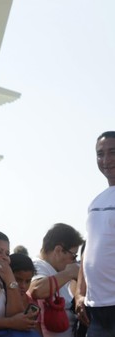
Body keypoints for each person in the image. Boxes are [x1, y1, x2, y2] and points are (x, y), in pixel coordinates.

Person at [75, 131, 115, 337]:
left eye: (112, 152)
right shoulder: (95, 203)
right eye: (100, 154)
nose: (106, 160)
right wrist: (80, 293)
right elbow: (87, 252)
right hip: (95, 311)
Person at [29, 223, 83, 337]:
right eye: (73, 255)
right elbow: (37, 290)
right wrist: (69, 273)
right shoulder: (38, 265)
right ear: (58, 250)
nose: (74, 261)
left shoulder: (57, 270)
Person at [10, 253, 41, 336]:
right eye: (18, 280)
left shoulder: (31, 303)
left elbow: (36, 331)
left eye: (27, 281)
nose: (23, 286)